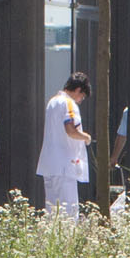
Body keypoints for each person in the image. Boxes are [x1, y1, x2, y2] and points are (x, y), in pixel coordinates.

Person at [38, 72, 91, 212]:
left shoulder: (52, 101)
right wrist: (86, 137)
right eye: (82, 97)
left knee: (52, 211)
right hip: (65, 165)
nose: (80, 100)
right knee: (69, 212)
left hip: (49, 164)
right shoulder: (68, 103)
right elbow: (71, 130)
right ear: (78, 90)